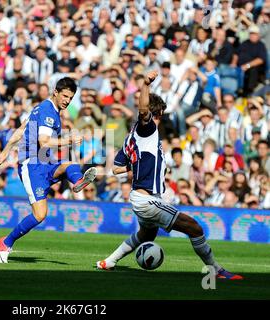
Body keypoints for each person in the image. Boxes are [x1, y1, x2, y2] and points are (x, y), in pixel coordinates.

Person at [96, 70, 243, 280]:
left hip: (142, 198)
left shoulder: (131, 139)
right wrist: (146, 84)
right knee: (194, 227)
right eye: (161, 114)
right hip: (147, 200)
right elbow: (143, 109)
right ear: (159, 114)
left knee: (147, 234)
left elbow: (116, 169)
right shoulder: (147, 129)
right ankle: (217, 271)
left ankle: (108, 262)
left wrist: (135, 167)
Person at [0, 77, 97, 263]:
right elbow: (44, 141)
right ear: (55, 92)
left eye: (71, 98)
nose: (67, 100)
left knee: (69, 164)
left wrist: (4, 153)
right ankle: (6, 241)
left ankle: (78, 182)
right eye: (65, 96)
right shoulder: (48, 111)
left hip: (44, 161)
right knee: (40, 215)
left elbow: (20, 130)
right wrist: (68, 140)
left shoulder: (41, 108)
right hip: (30, 165)